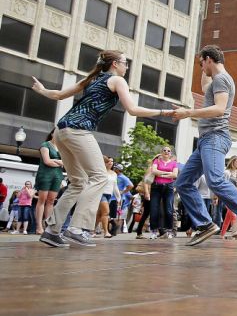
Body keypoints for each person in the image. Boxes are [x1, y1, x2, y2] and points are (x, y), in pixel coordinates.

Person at [32, 50, 169, 248]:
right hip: (79, 130)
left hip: (61, 131)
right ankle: (78, 228)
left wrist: (41, 90)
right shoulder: (117, 81)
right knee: (99, 177)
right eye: (125, 63)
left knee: (78, 182)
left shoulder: (93, 78)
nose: (127, 67)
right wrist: (165, 111)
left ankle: (52, 230)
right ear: (114, 64)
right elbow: (133, 109)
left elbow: (59, 94)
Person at [172, 45, 237, 246]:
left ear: (209, 59)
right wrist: (201, 67)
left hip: (215, 137)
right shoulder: (216, 81)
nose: (201, 67)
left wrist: (188, 112)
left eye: (201, 63)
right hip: (206, 140)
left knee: (214, 180)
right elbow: (205, 86)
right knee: (183, 183)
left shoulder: (222, 79)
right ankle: (205, 224)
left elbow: (219, 109)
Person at [34, 131, 65, 234]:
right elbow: (47, 161)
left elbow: (66, 163)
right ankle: (39, 226)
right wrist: (59, 162)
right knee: (42, 200)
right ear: (52, 134)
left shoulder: (62, 147)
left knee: (51, 201)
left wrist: (56, 161)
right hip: (45, 174)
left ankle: (48, 226)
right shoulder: (45, 145)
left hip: (57, 175)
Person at [149, 146, 178, 239]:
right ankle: (154, 231)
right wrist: (168, 174)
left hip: (169, 187)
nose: (166, 152)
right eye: (164, 150)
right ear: (161, 152)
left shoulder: (174, 163)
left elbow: (175, 175)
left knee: (169, 209)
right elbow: (153, 171)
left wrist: (160, 173)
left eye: (168, 151)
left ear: (171, 153)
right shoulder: (156, 161)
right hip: (156, 187)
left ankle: (169, 230)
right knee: (154, 209)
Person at [220, 156, 237, 237]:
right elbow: (223, 184)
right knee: (233, 214)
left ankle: (222, 234)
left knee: (228, 216)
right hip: (228, 195)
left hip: (236, 195)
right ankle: (235, 233)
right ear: (232, 162)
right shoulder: (227, 172)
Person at [96, 156, 118, 238]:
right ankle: (106, 232)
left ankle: (91, 231)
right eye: (108, 161)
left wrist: (118, 198)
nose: (110, 162)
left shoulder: (114, 173)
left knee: (99, 214)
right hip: (101, 193)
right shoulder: (101, 172)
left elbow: (115, 187)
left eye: (112, 161)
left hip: (109, 195)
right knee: (106, 212)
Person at [113, 163, 133, 234]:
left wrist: (123, 192)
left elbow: (131, 185)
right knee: (113, 214)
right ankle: (114, 229)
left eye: (115, 168)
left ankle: (117, 231)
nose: (113, 169)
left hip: (119, 199)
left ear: (117, 169)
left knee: (118, 215)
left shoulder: (123, 177)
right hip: (112, 197)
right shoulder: (114, 176)